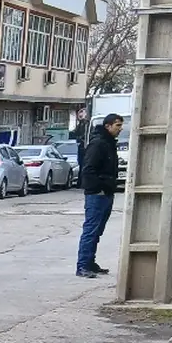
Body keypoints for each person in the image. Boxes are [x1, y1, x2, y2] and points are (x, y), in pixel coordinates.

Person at [76, 115, 122, 277]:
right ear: (108, 126)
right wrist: (99, 188)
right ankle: (82, 266)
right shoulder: (98, 144)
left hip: (107, 192)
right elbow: (88, 170)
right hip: (97, 194)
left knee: (98, 230)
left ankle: (90, 262)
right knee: (91, 229)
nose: (120, 128)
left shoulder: (109, 143)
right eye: (117, 125)